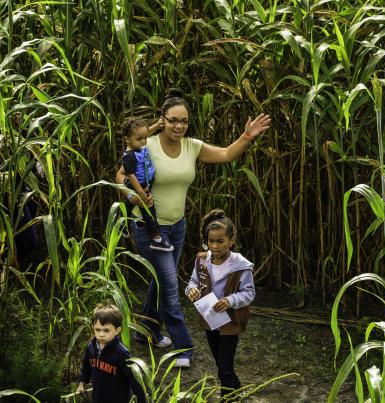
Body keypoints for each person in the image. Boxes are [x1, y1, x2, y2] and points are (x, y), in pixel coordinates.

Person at [116, 88, 270, 368]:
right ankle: (184, 347)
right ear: (162, 119)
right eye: (173, 120)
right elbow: (121, 175)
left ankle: (148, 328)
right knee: (171, 285)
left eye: (184, 121)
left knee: (161, 280)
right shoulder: (146, 144)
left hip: (177, 226)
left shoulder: (192, 146)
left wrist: (246, 137)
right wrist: (132, 195)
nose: (178, 126)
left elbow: (225, 154)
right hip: (150, 228)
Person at [185, 209, 255, 396]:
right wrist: (190, 290)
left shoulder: (241, 265)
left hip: (230, 322)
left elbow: (249, 293)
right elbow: (192, 282)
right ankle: (238, 392)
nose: (215, 246)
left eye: (220, 241)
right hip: (210, 319)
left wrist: (230, 300)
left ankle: (228, 398)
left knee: (224, 367)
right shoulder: (202, 261)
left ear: (231, 241)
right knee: (221, 363)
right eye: (211, 241)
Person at [121, 117, 173, 251]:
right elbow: (131, 175)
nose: (144, 142)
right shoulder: (130, 156)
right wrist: (141, 193)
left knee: (127, 205)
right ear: (127, 139)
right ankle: (156, 238)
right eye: (139, 139)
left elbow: (145, 133)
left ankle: (121, 224)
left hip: (144, 184)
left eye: (145, 138)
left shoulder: (139, 145)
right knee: (149, 211)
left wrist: (156, 126)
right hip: (140, 185)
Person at [76, 303, 146, 403]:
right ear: (93, 328)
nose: (101, 334)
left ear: (117, 330)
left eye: (106, 330)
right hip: (98, 396)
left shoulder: (121, 353)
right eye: (98, 329)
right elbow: (86, 367)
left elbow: (135, 379)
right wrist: (82, 384)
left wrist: (141, 399)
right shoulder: (91, 347)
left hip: (118, 399)